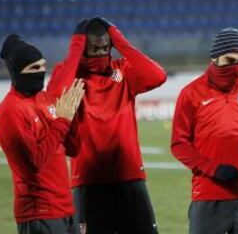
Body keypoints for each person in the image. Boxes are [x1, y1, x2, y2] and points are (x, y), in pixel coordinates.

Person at [48, 17, 167, 234]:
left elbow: (157, 76)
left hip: (129, 176)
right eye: (94, 49)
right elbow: (55, 95)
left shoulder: (124, 70)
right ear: (82, 48)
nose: (101, 54)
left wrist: (120, 41)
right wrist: (75, 51)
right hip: (87, 180)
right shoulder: (70, 75)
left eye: (106, 47)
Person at [171, 27, 238, 234]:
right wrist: (213, 168)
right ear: (215, 58)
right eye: (230, 60)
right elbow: (179, 145)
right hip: (208, 195)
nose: (236, 68)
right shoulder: (191, 93)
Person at [0, 34, 84, 234]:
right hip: (39, 213)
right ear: (18, 72)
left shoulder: (44, 99)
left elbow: (73, 148)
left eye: (43, 66)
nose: (41, 71)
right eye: (34, 68)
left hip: (66, 209)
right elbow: (34, 162)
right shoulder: (11, 111)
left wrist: (74, 114)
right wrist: (62, 121)